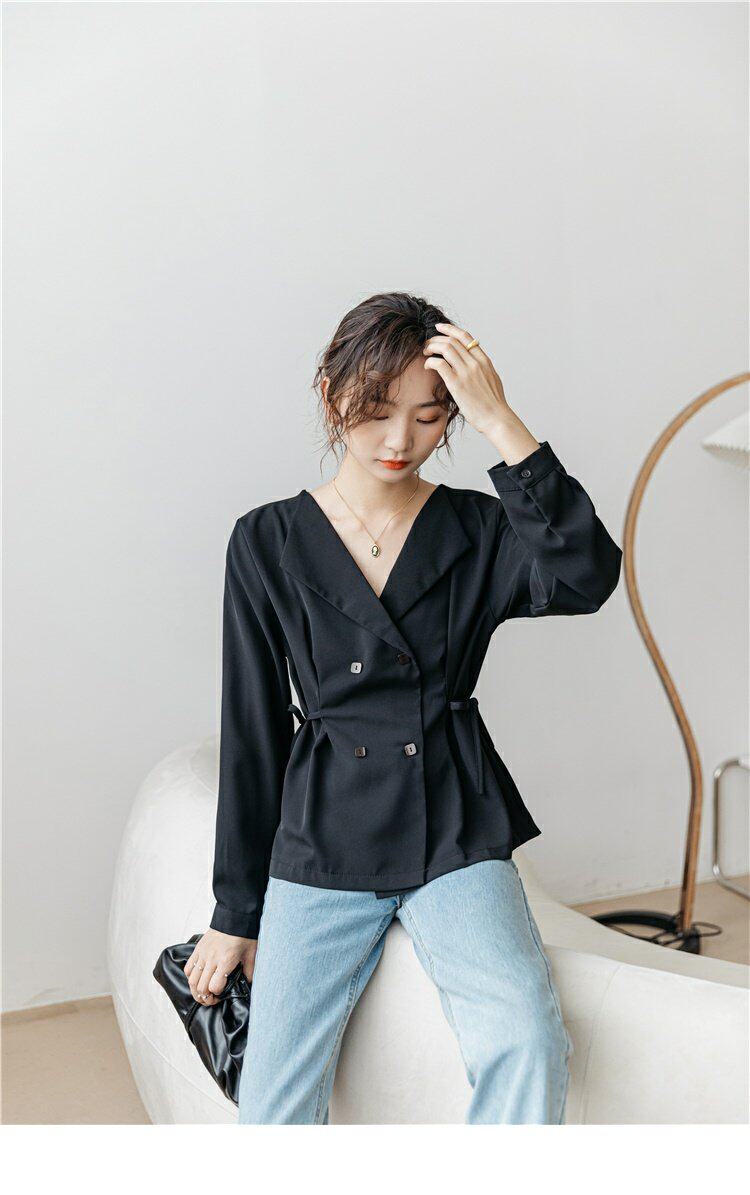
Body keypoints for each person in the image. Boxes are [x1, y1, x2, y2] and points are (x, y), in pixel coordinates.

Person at [183, 292, 623, 1124]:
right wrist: (235, 913)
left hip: (454, 824)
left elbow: (587, 574)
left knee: (528, 1037)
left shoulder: (479, 527)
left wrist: (502, 422)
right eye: (377, 409)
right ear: (330, 395)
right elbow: (253, 727)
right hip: (323, 835)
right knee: (272, 1106)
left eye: (430, 416)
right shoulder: (267, 540)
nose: (399, 440)